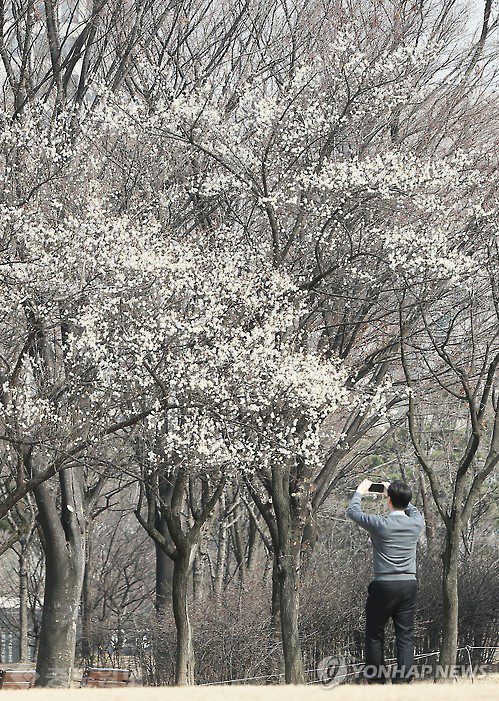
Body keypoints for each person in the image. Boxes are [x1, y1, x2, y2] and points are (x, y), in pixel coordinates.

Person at [346, 478, 424, 684]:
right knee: (405, 635)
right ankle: (403, 682)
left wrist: (359, 492)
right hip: (409, 584)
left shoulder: (381, 524)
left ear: (388, 500)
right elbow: (412, 510)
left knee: (374, 634)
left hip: (384, 584)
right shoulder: (416, 523)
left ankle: (378, 681)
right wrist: (397, 494)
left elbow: (353, 512)